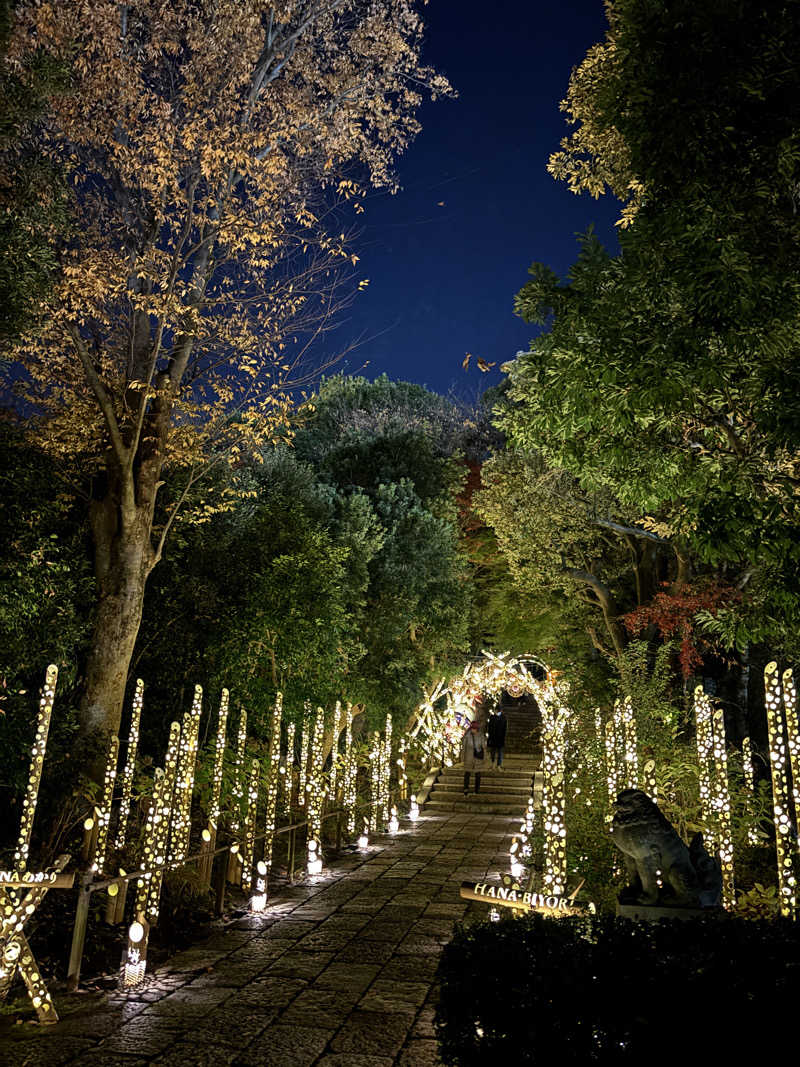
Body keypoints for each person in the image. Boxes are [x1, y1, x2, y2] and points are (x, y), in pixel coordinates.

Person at [462, 719, 487, 796]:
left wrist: (485, 758)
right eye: (472, 728)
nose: (473, 730)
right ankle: (466, 789)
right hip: (468, 758)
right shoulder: (467, 736)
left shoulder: (481, 736)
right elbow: (464, 748)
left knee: (478, 774)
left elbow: (484, 747)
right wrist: (462, 758)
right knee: (467, 773)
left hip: (477, 758)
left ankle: (476, 790)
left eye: (475, 729)